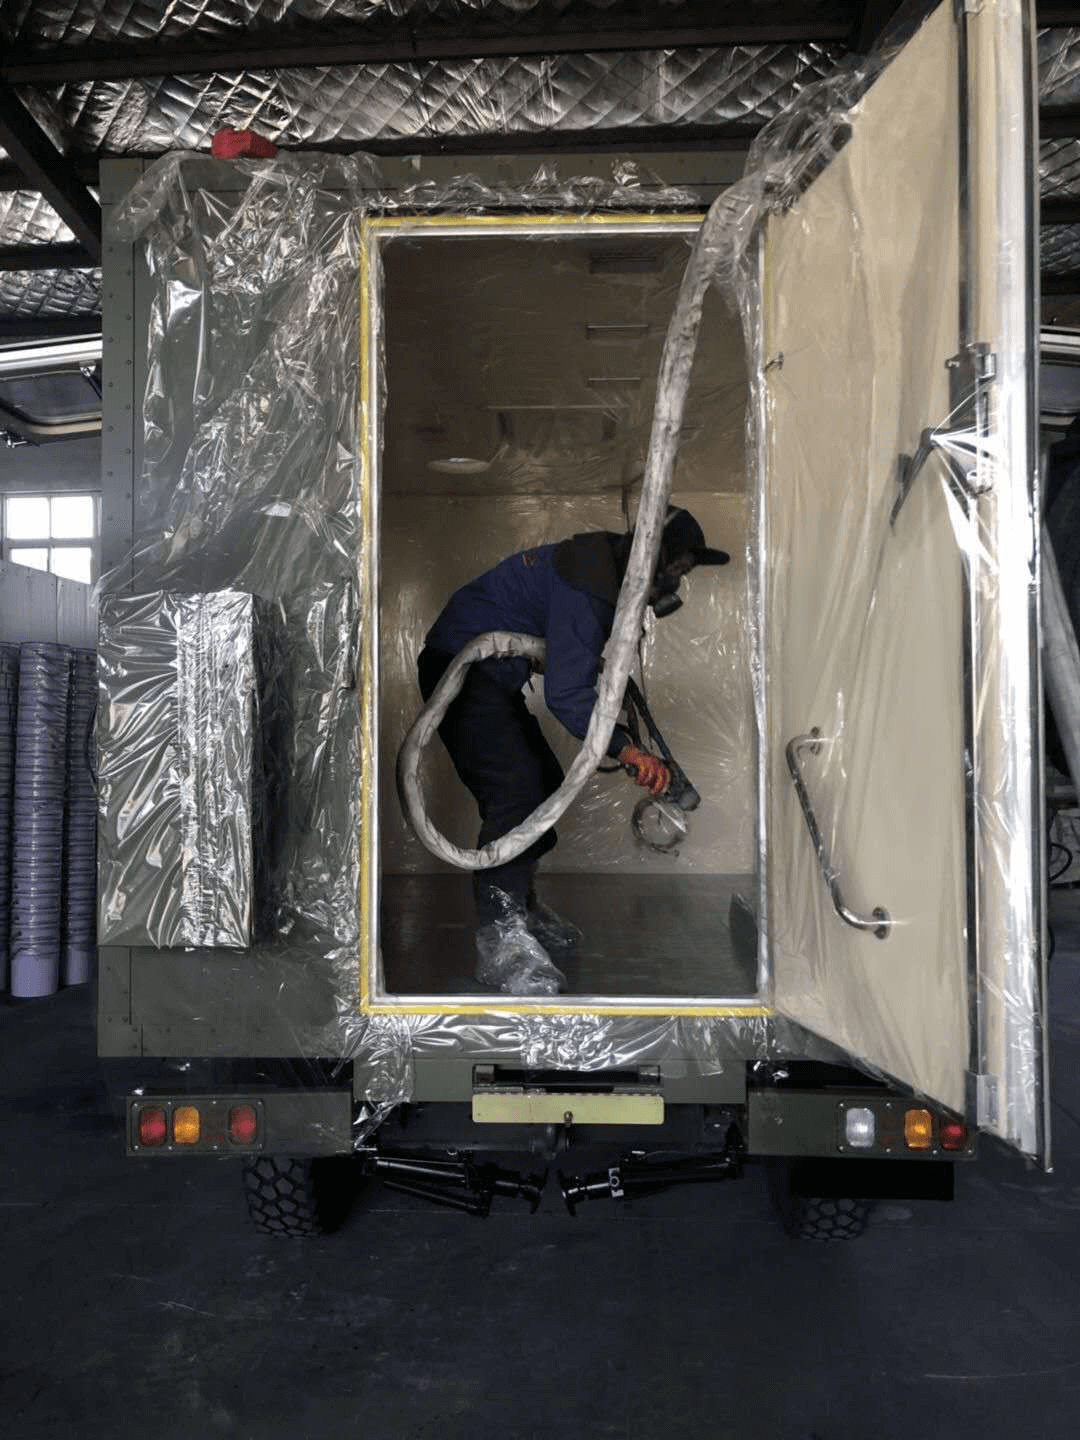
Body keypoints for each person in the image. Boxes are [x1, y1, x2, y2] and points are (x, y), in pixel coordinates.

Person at [416, 506, 730, 995]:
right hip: (461, 671)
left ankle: (522, 907)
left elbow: (570, 664)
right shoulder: (589, 582)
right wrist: (625, 750)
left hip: (491, 677)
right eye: (675, 568)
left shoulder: (598, 569)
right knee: (516, 793)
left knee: (541, 781)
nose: (675, 582)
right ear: (651, 556)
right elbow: (566, 694)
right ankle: (502, 941)